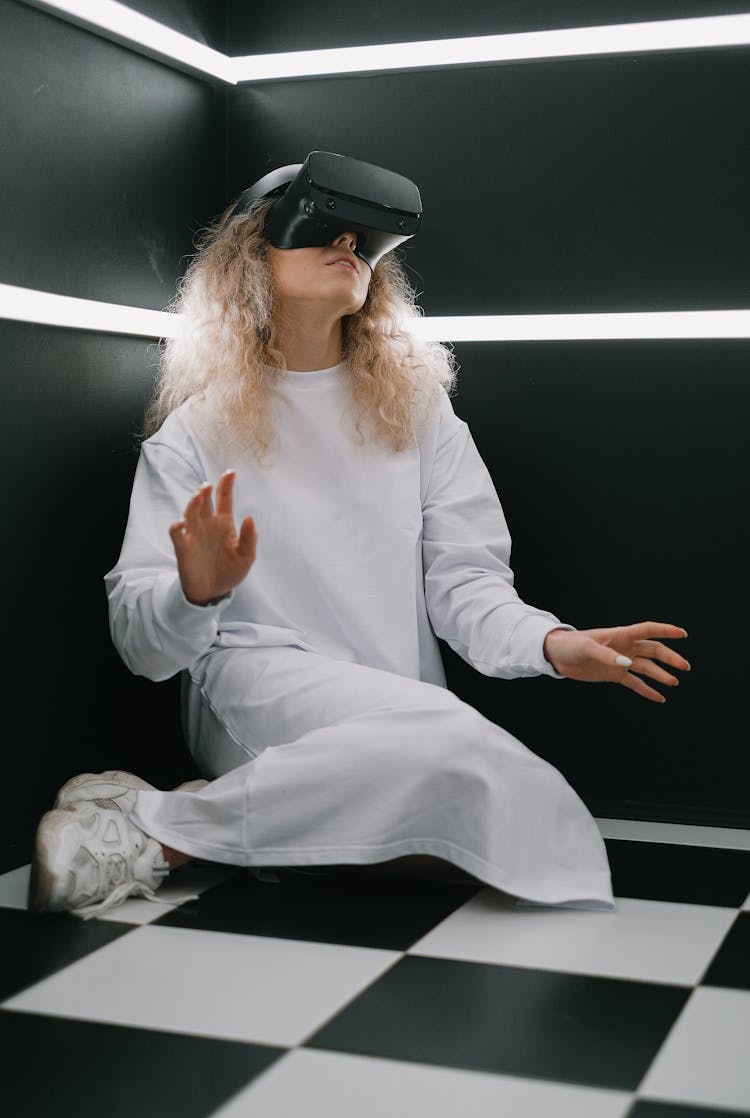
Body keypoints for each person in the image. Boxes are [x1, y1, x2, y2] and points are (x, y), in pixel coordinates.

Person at [28, 153, 689, 921]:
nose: (348, 246)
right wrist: (194, 593)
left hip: (403, 707)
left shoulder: (420, 414)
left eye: (360, 240)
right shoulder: (193, 436)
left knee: (519, 820)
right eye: (322, 230)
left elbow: (466, 585)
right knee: (477, 776)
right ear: (251, 258)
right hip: (258, 688)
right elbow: (144, 649)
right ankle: (150, 840)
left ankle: (180, 814)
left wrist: (551, 644)